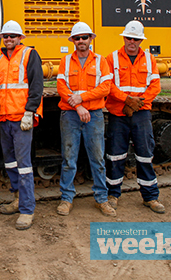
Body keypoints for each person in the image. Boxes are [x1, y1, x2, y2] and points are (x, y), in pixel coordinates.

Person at [56, 22, 115, 217]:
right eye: (77, 37)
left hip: (94, 115)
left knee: (97, 158)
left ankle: (101, 199)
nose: (81, 41)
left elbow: (106, 87)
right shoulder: (66, 61)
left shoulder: (101, 61)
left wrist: (83, 98)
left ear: (91, 39)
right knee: (68, 158)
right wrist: (78, 106)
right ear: (73, 40)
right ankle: (66, 198)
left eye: (85, 37)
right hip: (71, 115)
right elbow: (62, 87)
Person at [105, 21, 165, 213]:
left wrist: (138, 102)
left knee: (145, 154)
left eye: (136, 39)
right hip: (118, 114)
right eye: (129, 38)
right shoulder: (111, 58)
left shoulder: (149, 59)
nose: (132, 41)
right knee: (115, 155)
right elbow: (108, 85)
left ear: (141, 40)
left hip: (141, 114)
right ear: (124, 38)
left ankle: (150, 197)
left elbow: (155, 86)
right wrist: (126, 101)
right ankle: (113, 194)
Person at [0, 20, 43, 230]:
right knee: (10, 163)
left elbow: (36, 85)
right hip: (5, 119)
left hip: (22, 119)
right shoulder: (1, 58)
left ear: (20, 37)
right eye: (6, 35)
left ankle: (27, 210)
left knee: (24, 165)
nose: (9, 38)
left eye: (13, 35)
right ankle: (18, 198)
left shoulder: (29, 55)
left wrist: (29, 112)